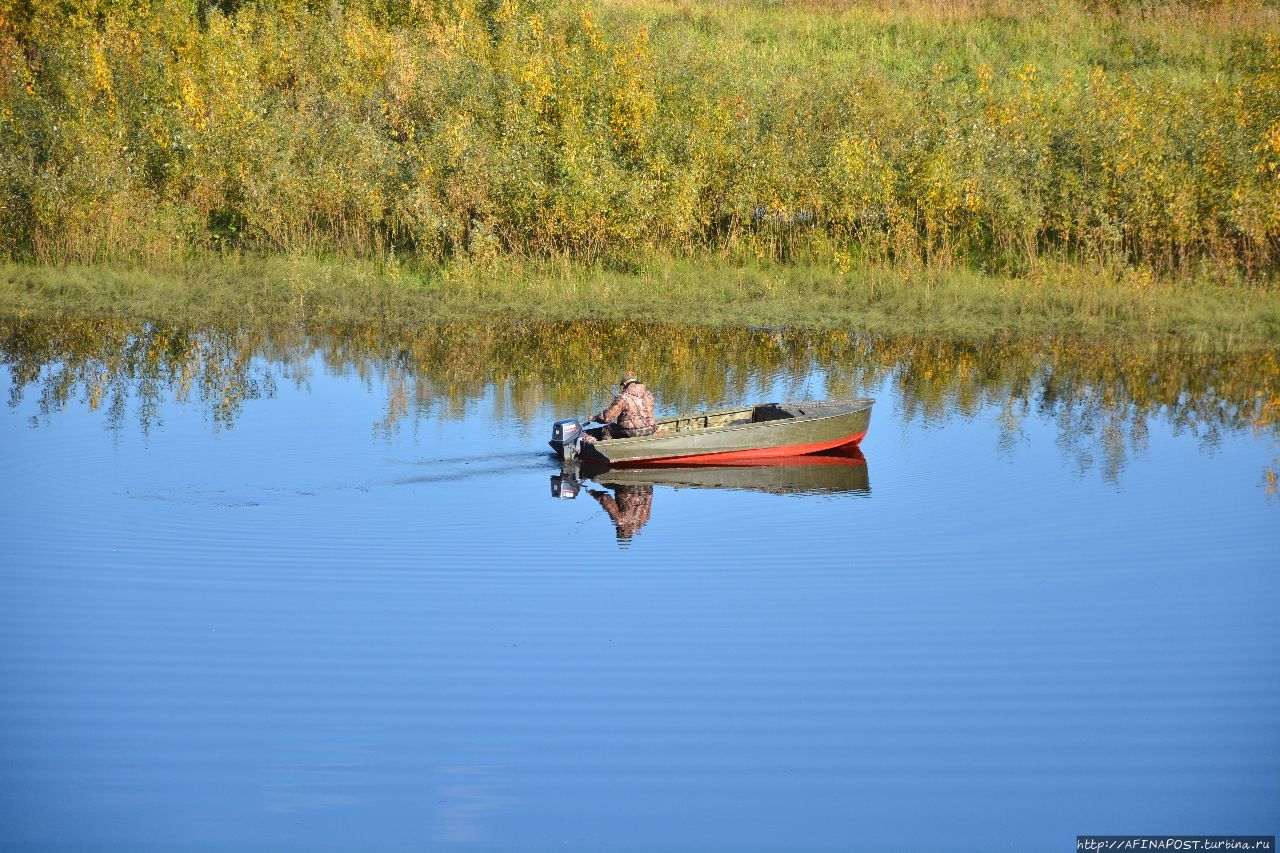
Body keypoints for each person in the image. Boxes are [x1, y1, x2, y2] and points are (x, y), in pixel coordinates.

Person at [588, 370, 656, 439]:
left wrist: (594, 418)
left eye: (623, 385)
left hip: (632, 432)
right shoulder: (648, 394)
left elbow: (607, 418)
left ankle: (610, 448)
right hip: (651, 429)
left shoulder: (623, 397)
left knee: (607, 429)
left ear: (624, 383)